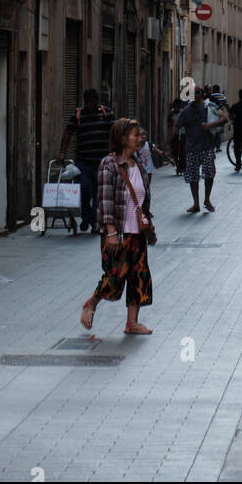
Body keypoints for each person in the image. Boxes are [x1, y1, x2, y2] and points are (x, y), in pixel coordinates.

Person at [80, 119, 154, 335]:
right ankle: (92, 303)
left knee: (139, 276)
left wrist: (148, 223)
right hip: (118, 233)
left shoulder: (138, 163)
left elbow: (143, 199)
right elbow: (104, 200)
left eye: (140, 134)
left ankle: (132, 322)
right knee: (115, 275)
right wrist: (110, 231)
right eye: (135, 135)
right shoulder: (109, 164)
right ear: (122, 139)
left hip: (137, 233)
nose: (140, 138)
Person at [57, 88, 114, 233]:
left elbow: (115, 132)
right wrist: (62, 152)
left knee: (98, 195)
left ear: (97, 102)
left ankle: (93, 222)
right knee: (84, 190)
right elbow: (68, 132)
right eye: (87, 102)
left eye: (92, 102)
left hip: (102, 162)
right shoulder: (78, 115)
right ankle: (87, 216)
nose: (89, 105)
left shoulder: (107, 113)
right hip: (83, 162)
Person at [176, 86, 226, 212]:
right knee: (193, 177)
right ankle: (196, 203)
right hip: (192, 148)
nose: (194, 95)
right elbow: (177, 126)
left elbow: (224, 118)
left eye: (196, 92)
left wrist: (210, 125)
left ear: (201, 94)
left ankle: (207, 199)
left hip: (207, 146)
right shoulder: (186, 111)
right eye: (191, 93)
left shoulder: (210, 106)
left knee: (209, 174)